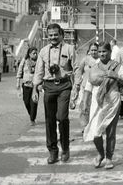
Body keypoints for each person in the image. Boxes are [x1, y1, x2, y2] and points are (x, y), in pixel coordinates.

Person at [32, 23, 76, 164]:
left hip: (64, 86)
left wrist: (76, 89)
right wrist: (35, 89)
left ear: (61, 34)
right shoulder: (43, 51)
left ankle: (65, 148)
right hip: (49, 87)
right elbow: (39, 71)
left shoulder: (69, 49)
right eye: (50, 35)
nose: (53, 37)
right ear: (47, 35)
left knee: (62, 118)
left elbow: (76, 69)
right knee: (49, 120)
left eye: (56, 34)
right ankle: (52, 151)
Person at [83, 41, 123, 170]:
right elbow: (88, 86)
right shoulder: (94, 67)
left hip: (113, 101)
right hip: (97, 102)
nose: (102, 54)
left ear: (109, 52)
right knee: (95, 132)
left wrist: (116, 76)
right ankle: (100, 153)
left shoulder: (116, 66)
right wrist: (84, 104)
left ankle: (109, 157)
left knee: (110, 132)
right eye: (100, 52)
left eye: (104, 51)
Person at [71, 43, 99, 131]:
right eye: (92, 50)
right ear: (89, 51)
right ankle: (85, 126)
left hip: (97, 88)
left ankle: (95, 126)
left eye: (95, 50)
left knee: (96, 107)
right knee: (85, 106)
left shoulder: (101, 60)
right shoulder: (85, 60)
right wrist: (77, 84)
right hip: (85, 88)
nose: (94, 52)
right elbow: (79, 72)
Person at [16, 47, 39, 126]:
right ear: (29, 54)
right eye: (33, 53)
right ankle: (31, 115)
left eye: (36, 53)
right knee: (26, 102)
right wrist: (18, 83)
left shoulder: (39, 62)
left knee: (34, 103)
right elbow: (19, 72)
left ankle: (32, 119)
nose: (35, 55)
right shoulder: (25, 61)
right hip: (26, 85)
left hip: (35, 86)